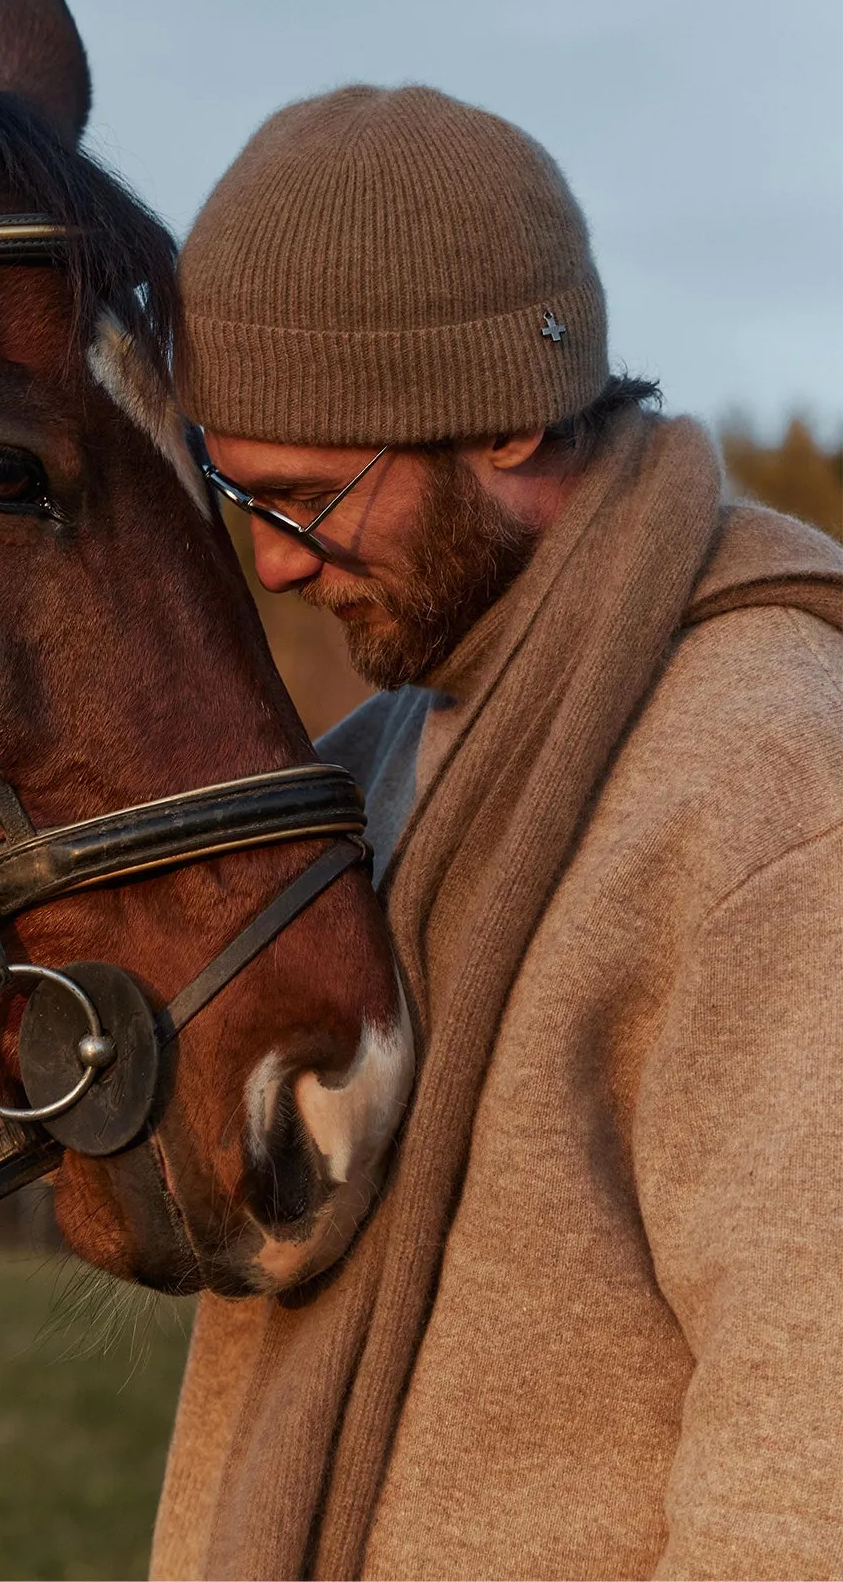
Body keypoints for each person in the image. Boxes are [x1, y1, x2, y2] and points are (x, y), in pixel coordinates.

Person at [151, 86, 843, 1581]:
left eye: (309, 497)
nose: (271, 563)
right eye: (235, 494)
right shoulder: (386, 758)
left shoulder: (775, 780)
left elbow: (810, 1463)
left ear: (508, 414)